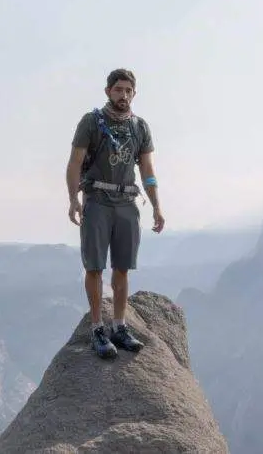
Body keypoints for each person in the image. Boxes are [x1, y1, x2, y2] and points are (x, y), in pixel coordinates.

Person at [65, 68, 165, 359]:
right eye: (118, 89)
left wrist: (156, 205)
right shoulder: (91, 122)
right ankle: (98, 327)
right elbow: (74, 164)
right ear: (108, 91)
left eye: (128, 91)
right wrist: (73, 199)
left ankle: (119, 326)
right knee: (94, 267)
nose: (123, 95)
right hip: (96, 201)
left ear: (134, 94)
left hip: (126, 204)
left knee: (122, 267)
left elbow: (147, 170)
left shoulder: (140, 127)